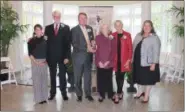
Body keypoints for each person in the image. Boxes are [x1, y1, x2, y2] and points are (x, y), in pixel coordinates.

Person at [44, 10, 71, 101]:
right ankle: (52, 93)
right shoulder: (47, 28)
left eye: (58, 16)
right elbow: (45, 42)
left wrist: (67, 57)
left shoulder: (66, 28)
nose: (57, 18)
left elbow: (68, 44)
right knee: (52, 75)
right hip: (51, 57)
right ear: (53, 17)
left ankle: (64, 93)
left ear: (60, 17)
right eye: (55, 16)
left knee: (62, 75)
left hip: (63, 57)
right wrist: (32, 38)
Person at [132, 20, 161, 103]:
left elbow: (156, 51)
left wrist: (154, 64)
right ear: (143, 27)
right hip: (137, 61)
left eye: (148, 25)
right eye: (145, 25)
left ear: (151, 27)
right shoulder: (138, 35)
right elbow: (133, 47)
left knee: (148, 79)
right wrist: (132, 58)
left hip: (148, 63)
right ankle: (140, 92)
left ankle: (146, 96)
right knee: (138, 78)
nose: (146, 27)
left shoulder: (154, 37)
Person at [71, 12, 96, 102]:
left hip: (88, 57)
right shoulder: (74, 29)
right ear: (78, 19)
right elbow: (74, 44)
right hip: (78, 57)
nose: (83, 20)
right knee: (77, 77)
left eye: (85, 18)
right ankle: (79, 94)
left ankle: (88, 94)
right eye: (81, 18)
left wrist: (93, 43)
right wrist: (87, 48)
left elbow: (92, 38)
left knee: (88, 77)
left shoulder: (90, 28)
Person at [112, 20, 133, 104]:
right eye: (116, 25)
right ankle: (120, 92)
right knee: (117, 76)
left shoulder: (127, 35)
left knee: (122, 76)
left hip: (124, 60)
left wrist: (129, 59)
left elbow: (130, 49)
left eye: (119, 25)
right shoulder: (112, 35)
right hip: (115, 60)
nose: (118, 27)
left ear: (122, 25)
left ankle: (119, 92)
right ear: (115, 26)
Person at [95, 24, 116, 102]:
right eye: (103, 28)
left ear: (108, 29)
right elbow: (96, 51)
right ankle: (101, 95)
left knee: (109, 79)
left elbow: (114, 52)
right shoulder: (97, 38)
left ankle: (110, 94)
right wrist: (99, 61)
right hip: (100, 62)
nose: (105, 29)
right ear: (101, 29)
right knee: (100, 79)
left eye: (106, 28)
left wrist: (108, 61)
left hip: (109, 62)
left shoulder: (112, 38)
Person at [28, 24, 48, 104]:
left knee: (44, 80)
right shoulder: (31, 41)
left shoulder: (46, 40)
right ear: (34, 31)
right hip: (35, 62)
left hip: (44, 62)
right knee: (36, 81)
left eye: (39, 29)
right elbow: (30, 54)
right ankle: (38, 99)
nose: (38, 31)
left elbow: (48, 51)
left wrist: (46, 60)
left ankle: (44, 98)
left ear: (42, 30)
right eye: (36, 29)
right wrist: (36, 62)